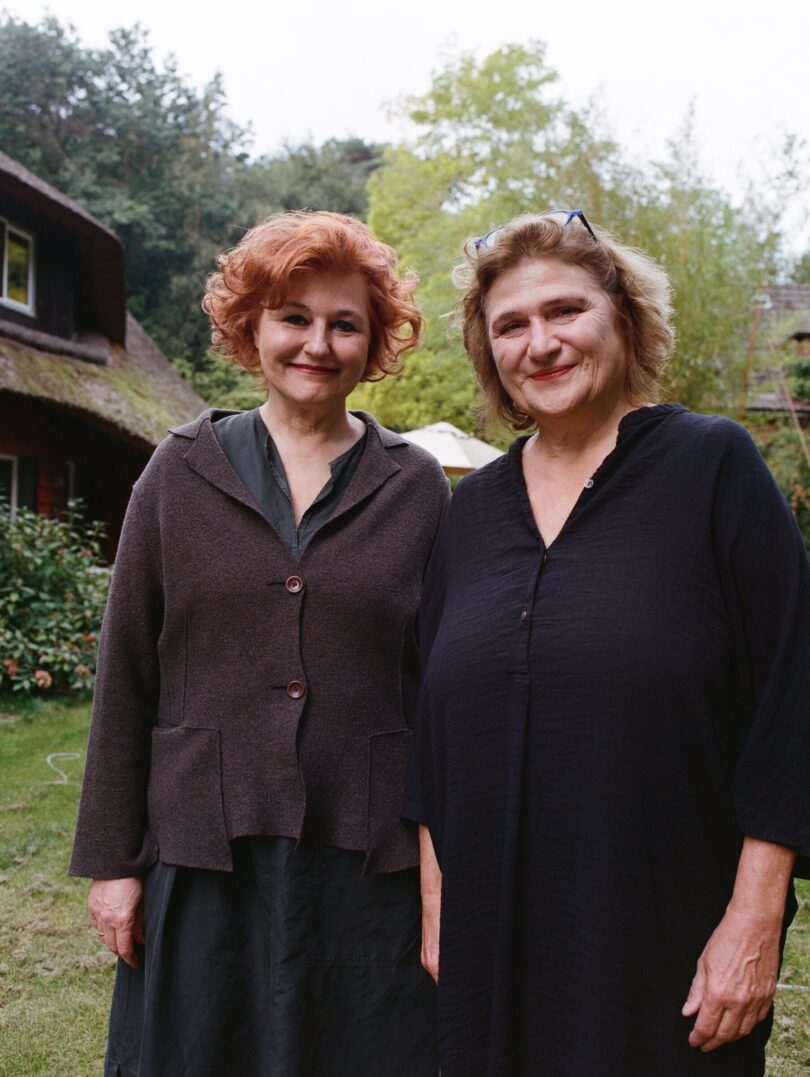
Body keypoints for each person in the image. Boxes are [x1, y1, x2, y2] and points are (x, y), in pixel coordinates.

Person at [405, 210, 810, 1076]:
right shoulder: (469, 513)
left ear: (623, 317)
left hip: (664, 947)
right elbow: (427, 720)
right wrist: (438, 898)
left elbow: (794, 698)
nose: (541, 342)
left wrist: (756, 919)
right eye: (511, 325)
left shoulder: (714, 468)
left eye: (566, 310)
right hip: (490, 950)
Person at [70, 210, 449, 1076]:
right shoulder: (178, 471)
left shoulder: (417, 487)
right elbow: (125, 672)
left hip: (366, 863)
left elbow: (440, 685)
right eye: (293, 317)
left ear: (374, 341)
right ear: (251, 326)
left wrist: (444, 869)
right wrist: (114, 863)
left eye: (344, 323)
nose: (317, 343)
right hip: (205, 854)